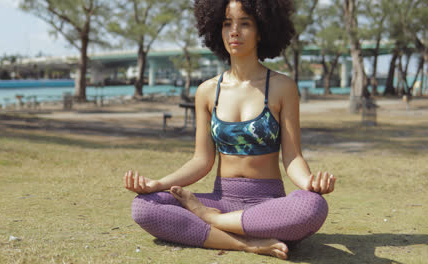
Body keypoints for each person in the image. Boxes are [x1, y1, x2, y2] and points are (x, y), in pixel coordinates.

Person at [123, 0, 336, 260]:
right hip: (221, 198)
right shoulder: (207, 91)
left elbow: (292, 157)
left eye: (244, 23)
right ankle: (247, 243)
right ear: (216, 30)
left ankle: (214, 222)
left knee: (313, 207)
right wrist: (159, 184)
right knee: (145, 207)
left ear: (262, 30)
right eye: (226, 23)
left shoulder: (283, 87)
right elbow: (202, 160)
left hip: (268, 205)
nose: (234, 31)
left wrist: (309, 183)